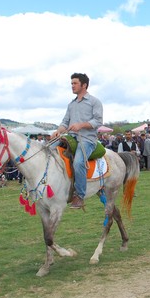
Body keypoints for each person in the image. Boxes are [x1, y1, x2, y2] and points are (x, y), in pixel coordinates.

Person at [51, 72, 103, 209]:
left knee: (79, 162)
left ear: (84, 85)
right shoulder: (71, 104)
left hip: (87, 139)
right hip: (71, 137)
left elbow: (98, 121)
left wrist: (81, 125)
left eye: (75, 83)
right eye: (71, 83)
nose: (72, 86)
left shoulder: (94, 102)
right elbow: (65, 122)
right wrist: (58, 130)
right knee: (48, 149)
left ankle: (79, 196)